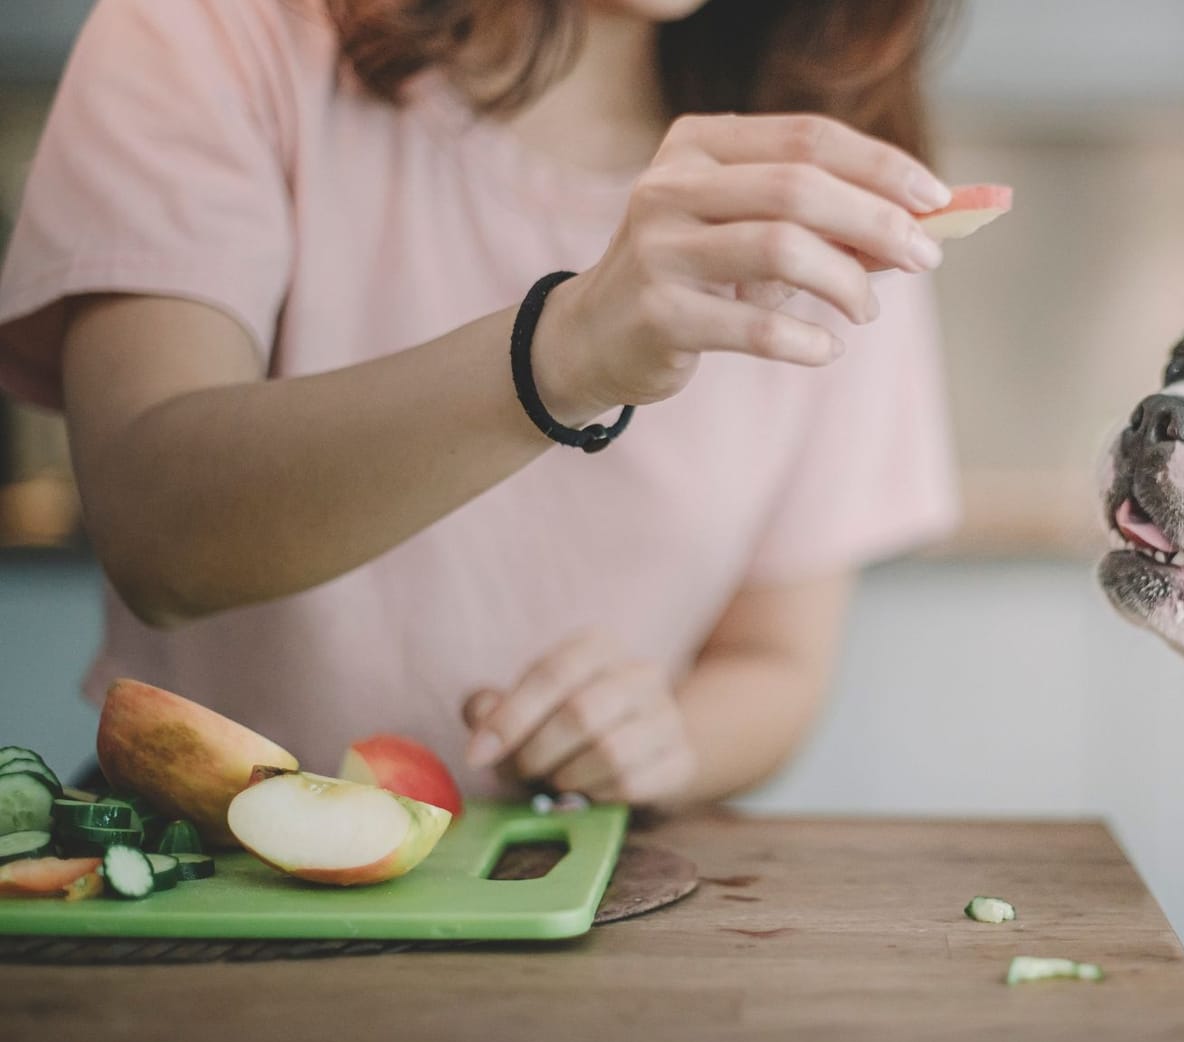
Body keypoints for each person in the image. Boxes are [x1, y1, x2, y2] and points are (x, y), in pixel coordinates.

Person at [0, 0, 960, 806]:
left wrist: (667, 740)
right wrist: (563, 350)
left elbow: (777, 658)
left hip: (578, 895)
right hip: (200, 887)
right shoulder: (213, 30)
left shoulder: (830, 181)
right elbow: (157, 532)